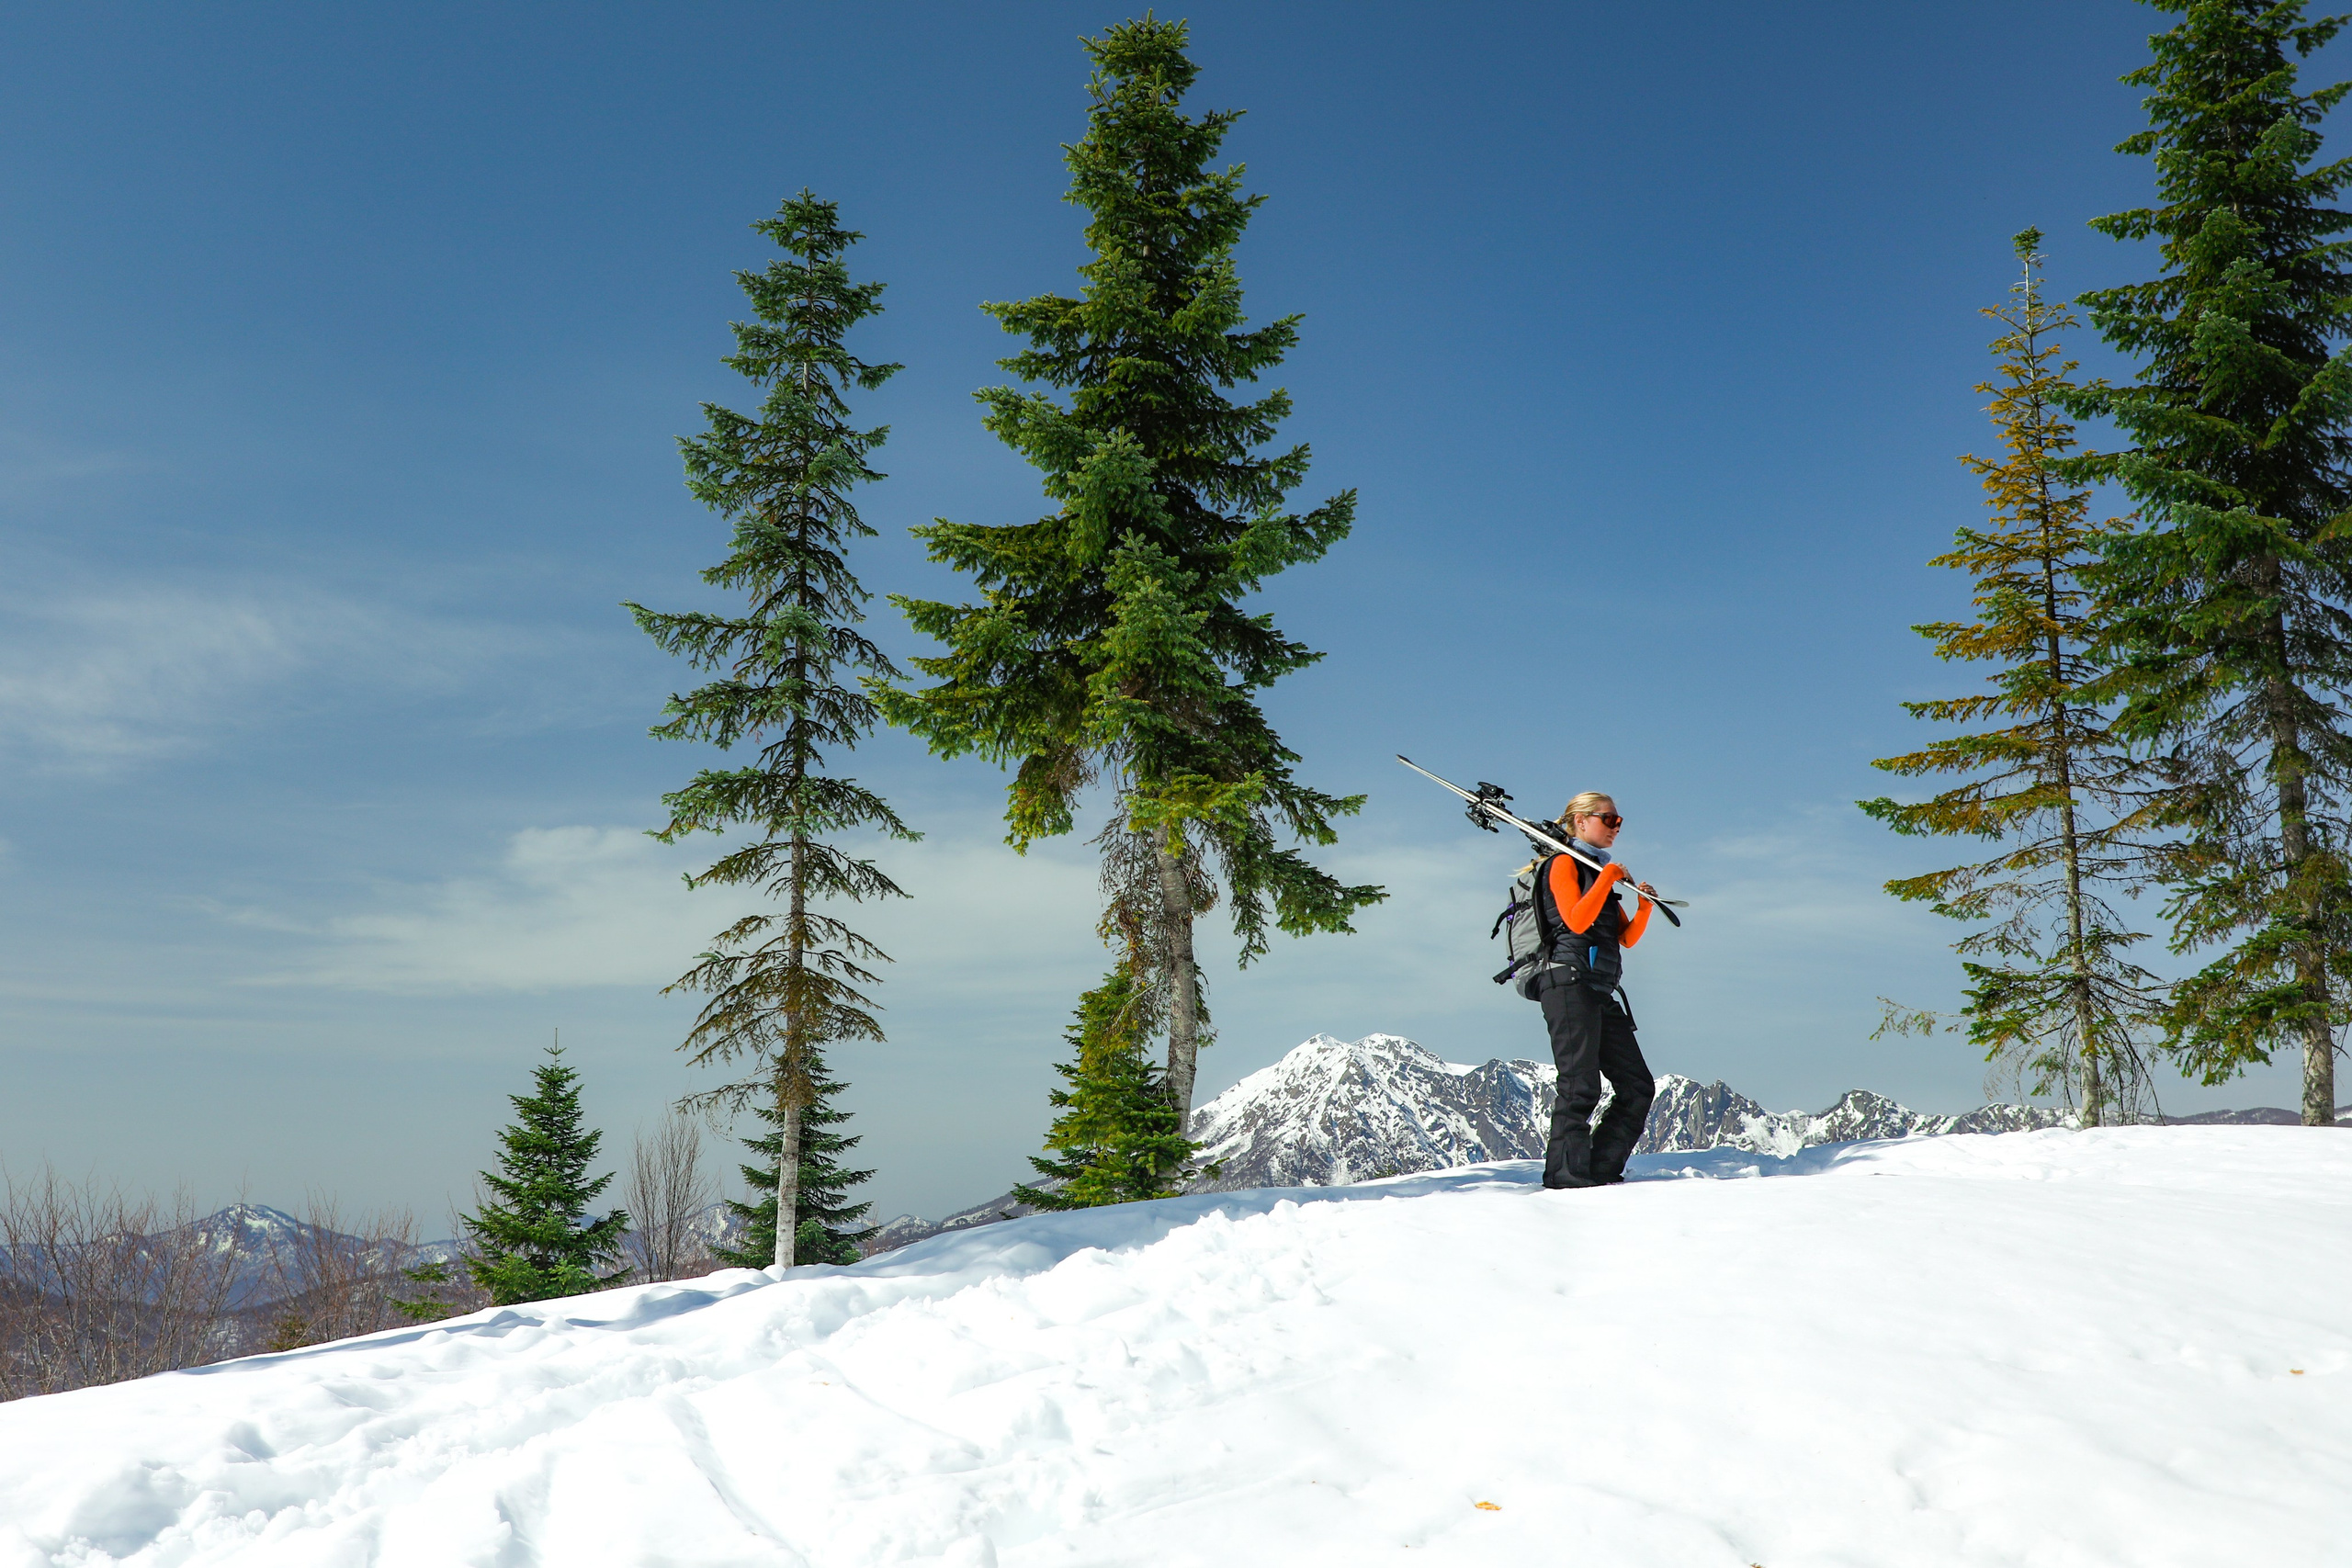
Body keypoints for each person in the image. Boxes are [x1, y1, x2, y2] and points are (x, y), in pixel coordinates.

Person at [1533, 791, 1656, 1189]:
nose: (1616, 827)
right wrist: (1605, 878)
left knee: (1637, 1086)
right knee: (1579, 1084)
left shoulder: (1594, 871)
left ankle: (1600, 1172)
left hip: (1598, 988)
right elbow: (1576, 920)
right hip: (1567, 983)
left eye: (1619, 821)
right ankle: (1565, 1179)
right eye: (1609, 819)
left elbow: (1625, 937)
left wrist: (1645, 908)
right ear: (1581, 821)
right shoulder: (1563, 864)